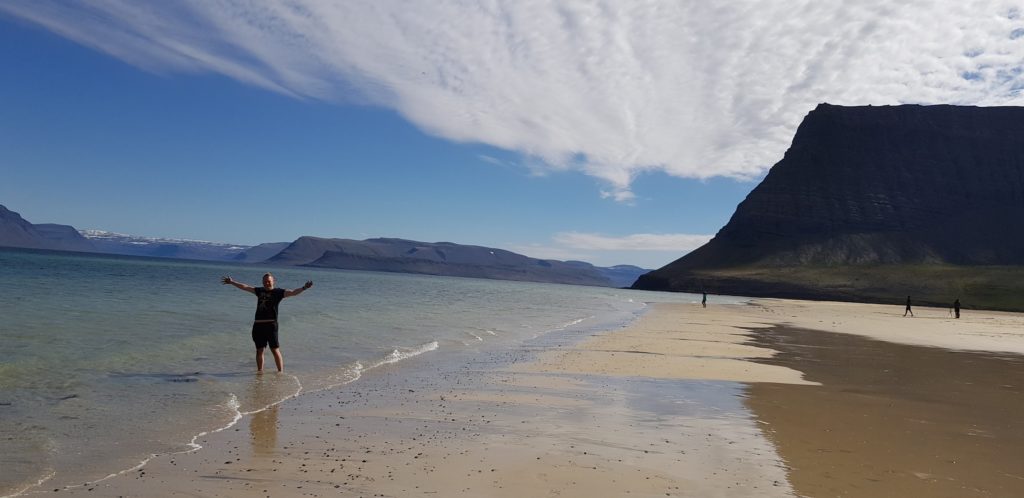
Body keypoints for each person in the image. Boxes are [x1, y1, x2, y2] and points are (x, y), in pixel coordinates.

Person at [222, 273, 313, 372]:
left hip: (271, 325)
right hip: (258, 325)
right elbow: (245, 287)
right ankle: (260, 373)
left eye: (269, 281)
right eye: (265, 281)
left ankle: (280, 373)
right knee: (259, 350)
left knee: (275, 349)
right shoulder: (259, 291)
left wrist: (304, 288)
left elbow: (293, 292)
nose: (267, 283)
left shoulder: (278, 292)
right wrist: (232, 282)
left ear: (273, 281)